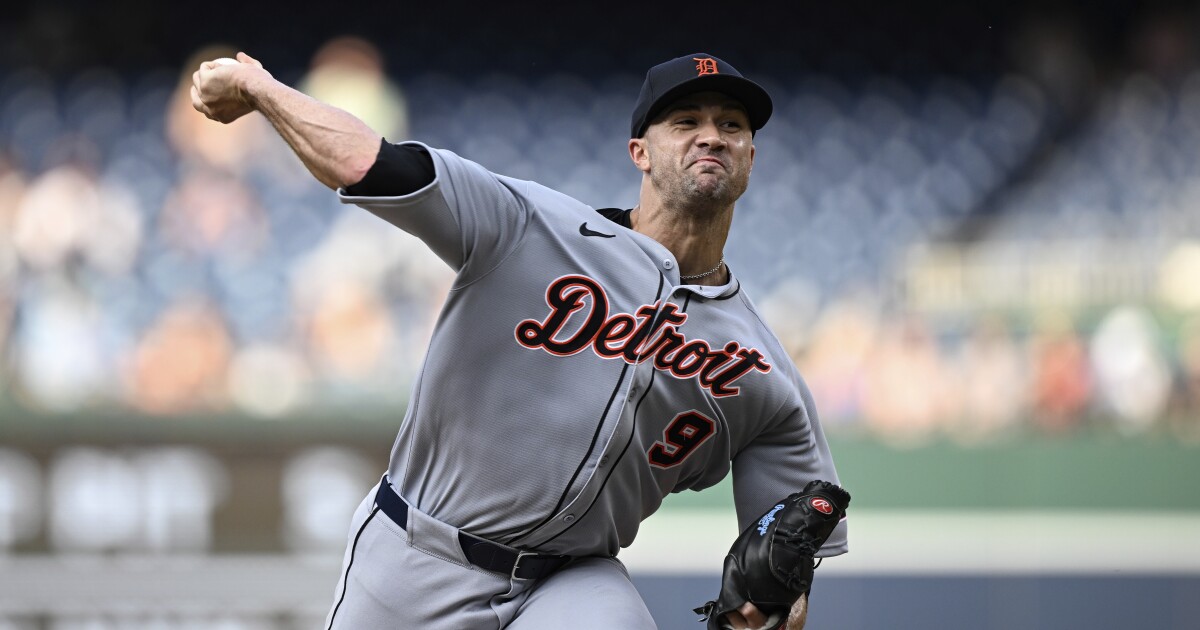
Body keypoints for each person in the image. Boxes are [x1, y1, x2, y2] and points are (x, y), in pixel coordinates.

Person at [192, 50, 848, 630]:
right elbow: (372, 164)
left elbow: (785, 557)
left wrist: (768, 608)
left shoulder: (766, 375)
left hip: (572, 580)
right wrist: (260, 89)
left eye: (732, 126)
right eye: (687, 122)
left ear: (751, 158)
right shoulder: (531, 224)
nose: (712, 136)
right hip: (419, 554)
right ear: (639, 151)